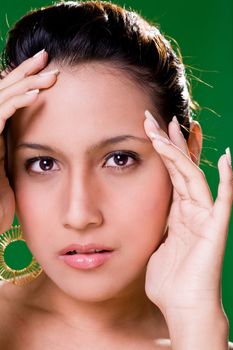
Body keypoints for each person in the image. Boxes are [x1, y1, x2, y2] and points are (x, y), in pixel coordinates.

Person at [0, 1, 232, 349]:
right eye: (43, 164)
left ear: (188, 154)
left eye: (119, 159)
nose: (80, 215)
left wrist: (196, 328)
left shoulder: (202, 339)